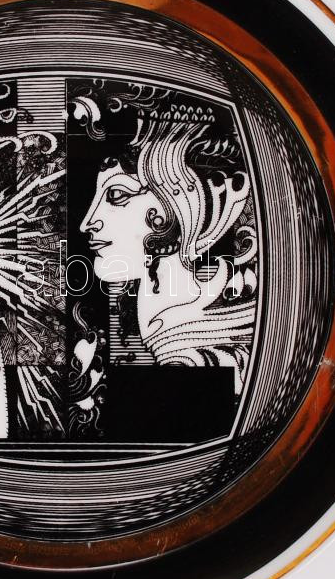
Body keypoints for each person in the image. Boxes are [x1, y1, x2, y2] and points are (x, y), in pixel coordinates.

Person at [79, 115, 258, 393]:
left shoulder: (192, 351)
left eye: (116, 195)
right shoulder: (168, 320)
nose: (87, 222)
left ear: (181, 205)